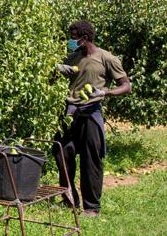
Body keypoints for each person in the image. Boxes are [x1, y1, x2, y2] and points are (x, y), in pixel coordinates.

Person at [54, 20, 131, 217]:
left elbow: (125, 85)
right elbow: (54, 77)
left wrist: (105, 93)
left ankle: (91, 207)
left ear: (84, 38)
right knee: (62, 154)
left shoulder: (106, 58)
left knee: (91, 160)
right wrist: (58, 69)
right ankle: (69, 200)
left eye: (73, 38)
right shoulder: (73, 57)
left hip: (90, 112)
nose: (71, 41)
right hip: (70, 112)